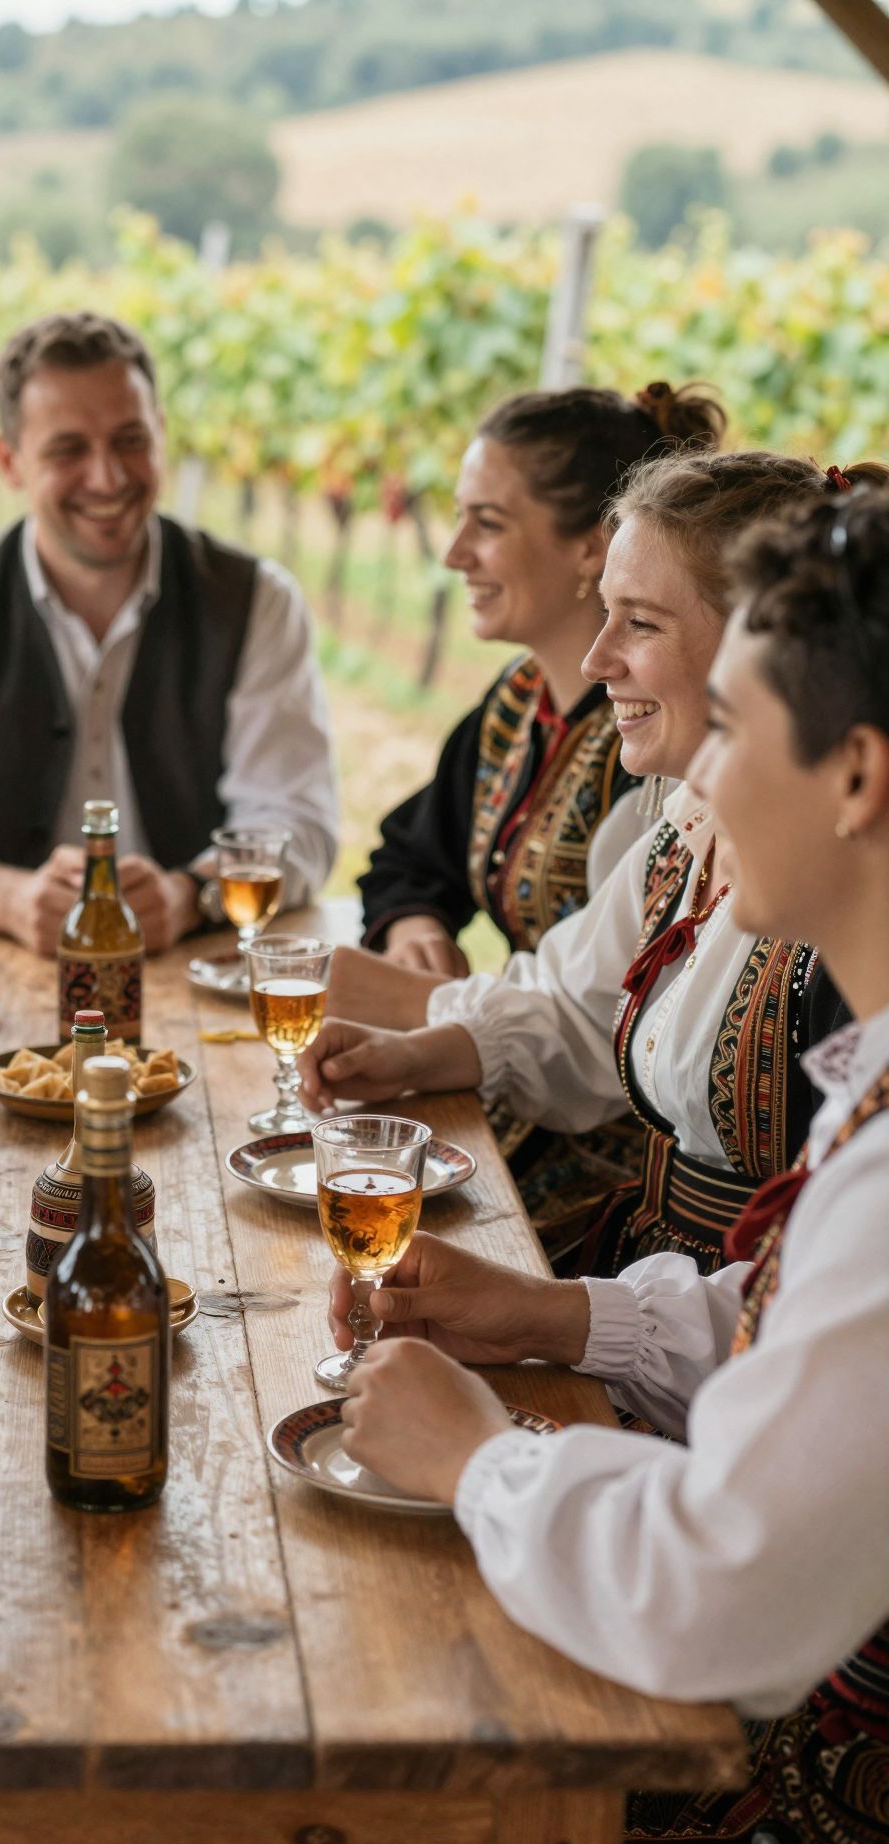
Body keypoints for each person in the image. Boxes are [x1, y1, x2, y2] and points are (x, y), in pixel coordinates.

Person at [298, 484, 889, 1844]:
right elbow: (806, 1336)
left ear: (855, 775)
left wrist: (484, 1458)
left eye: (732, 727)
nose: (693, 774)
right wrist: (557, 1311)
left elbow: (720, 1591)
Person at [302, 451, 877, 1275]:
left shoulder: (830, 898)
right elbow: (574, 1003)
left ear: (764, 638)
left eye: (640, 622)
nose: (598, 658)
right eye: (606, 615)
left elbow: (817, 1302)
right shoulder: (682, 834)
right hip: (661, 1288)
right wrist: (416, 1049)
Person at [344, 382, 726, 1265]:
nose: (453, 554)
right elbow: (411, 853)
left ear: (590, 547)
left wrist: (400, 1006)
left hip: (605, 1173)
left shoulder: (656, 757)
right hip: (522, 1092)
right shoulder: (518, 702)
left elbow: (611, 1026)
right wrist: (412, 927)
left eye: (486, 523)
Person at [0, 310, 340, 955]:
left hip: (195, 967)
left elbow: (296, 822)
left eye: (130, 440)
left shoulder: (256, 600)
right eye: (68, 449)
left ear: (161, 435)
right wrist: (11, 899)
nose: (107, 477)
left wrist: (191, 896)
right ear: (8, 460)